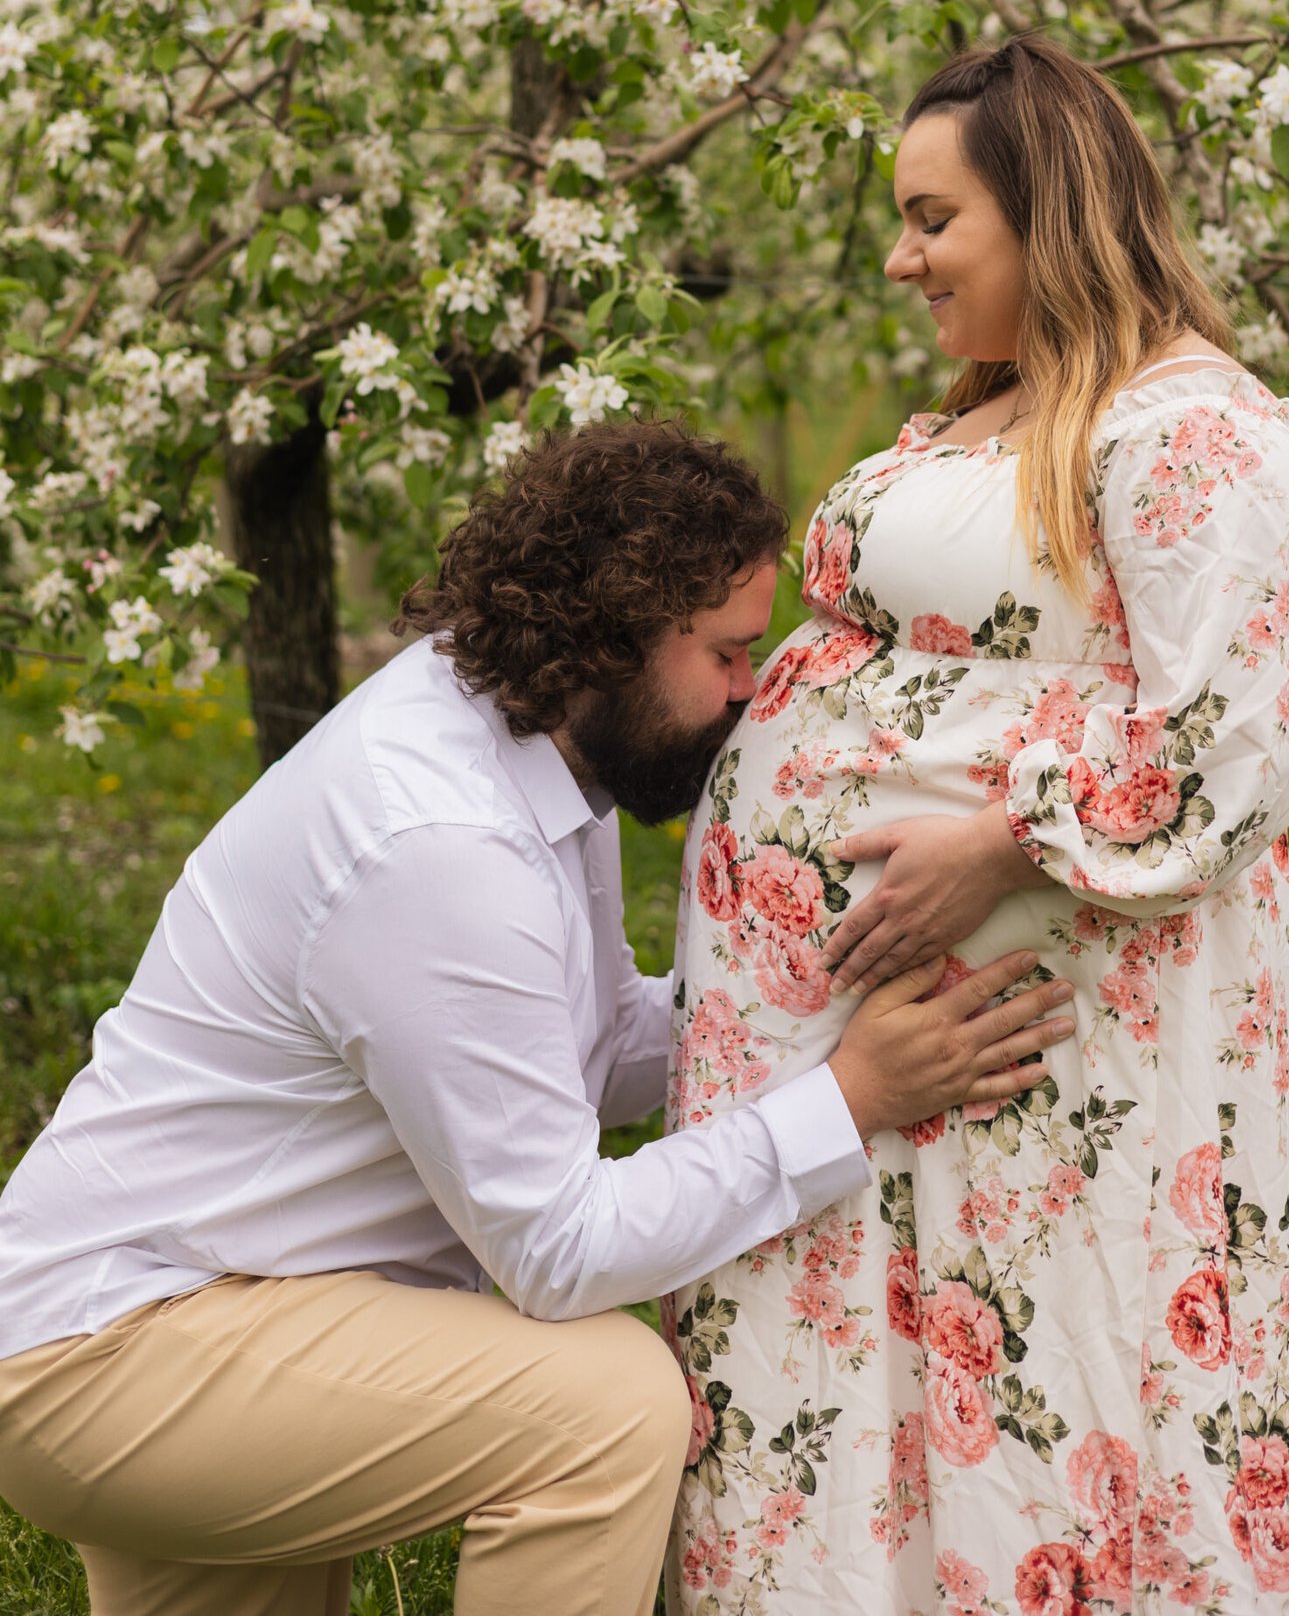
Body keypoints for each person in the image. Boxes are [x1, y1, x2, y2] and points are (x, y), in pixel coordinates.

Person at [0, 419, 1076, 1616]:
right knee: (607, 1406)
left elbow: (602, 1038)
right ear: (611, 639)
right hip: (115, 1348)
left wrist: (837, 997)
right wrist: (848, 1097)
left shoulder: (534, 743)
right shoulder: (442, 842)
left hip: (215, 1296)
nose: (748, 695)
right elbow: (556, 1251)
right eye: (726, 656)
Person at [666, 33, 1289, 1614]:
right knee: (898, 1392)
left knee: (1040, 1381)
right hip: (888, 1054)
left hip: (1048, 1053)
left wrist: (1007, 841)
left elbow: (1232, 736)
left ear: (1053, 210)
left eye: (930, 217)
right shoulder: (1003, 404)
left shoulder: (1195, 427)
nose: (900, 258)